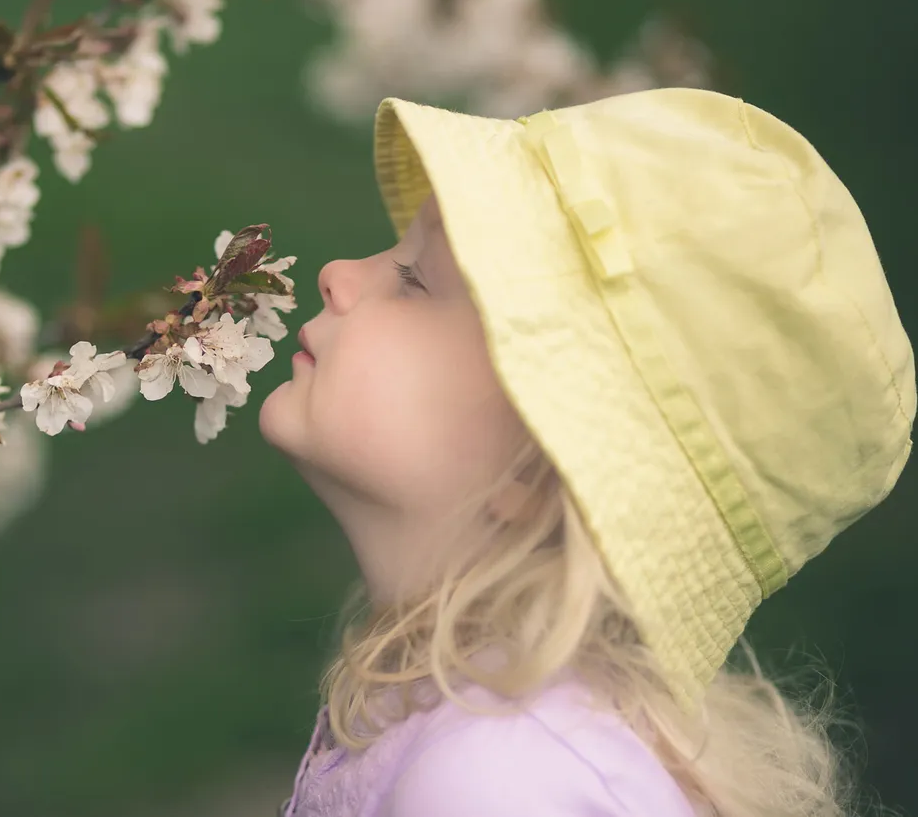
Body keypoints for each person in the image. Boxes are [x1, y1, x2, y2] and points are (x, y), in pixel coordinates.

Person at [258, 87, 915, 817]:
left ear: (540, 467)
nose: (340, 272)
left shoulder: (498, 784)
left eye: (415, 281)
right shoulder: (460, 721)